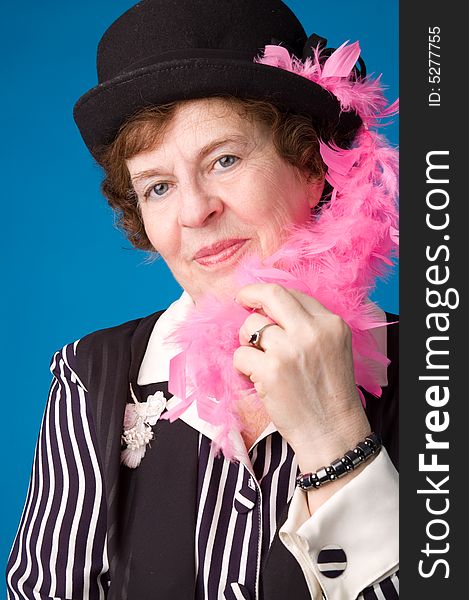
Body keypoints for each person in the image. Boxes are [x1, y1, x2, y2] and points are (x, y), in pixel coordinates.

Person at [6, 1, 399, 599]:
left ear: (313, 164)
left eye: (225, 159)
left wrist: (335, 438)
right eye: (158, 186)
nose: (194, 212)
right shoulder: (90, 381)